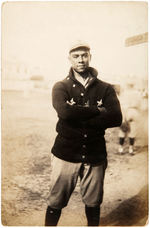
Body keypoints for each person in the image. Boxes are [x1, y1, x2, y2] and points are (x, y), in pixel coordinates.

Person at [45, 41, 122, 226]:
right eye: (76, 56)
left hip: (95, 154)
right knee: (55, 201)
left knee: (93, 202)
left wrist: (76, 113)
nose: (81, 60)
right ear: (69, 59)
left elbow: (116, 118)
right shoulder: (60, 86)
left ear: (90, 57)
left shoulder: (105, 88)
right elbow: (64, 112)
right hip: (66, 153)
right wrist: (98, 110)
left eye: (84, 55)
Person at [118, 83, 141, 155]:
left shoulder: (124, 93)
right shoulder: (137, 93)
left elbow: (120, 104)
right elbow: (139, 104)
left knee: (123, 130)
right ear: (133, 85)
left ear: (127, 85)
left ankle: (121, 148)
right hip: (134, 111)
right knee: (132, 131)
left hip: (125, 110)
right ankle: (131, 149)